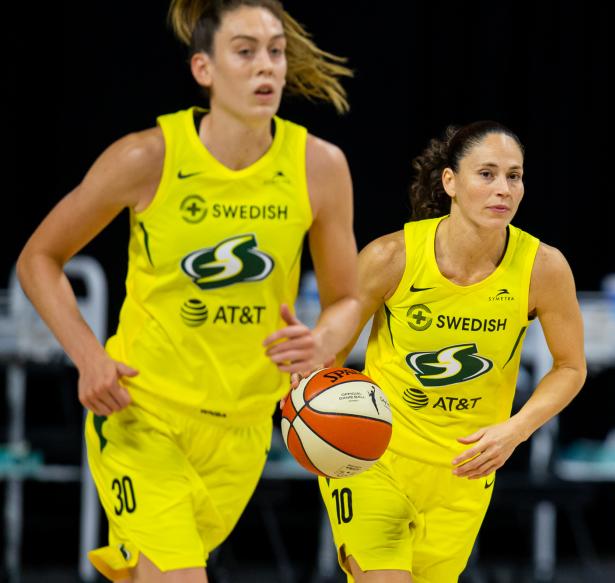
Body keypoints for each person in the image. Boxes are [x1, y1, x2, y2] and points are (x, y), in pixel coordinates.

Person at [15, 0, 360, 580]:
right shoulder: (146, 157)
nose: (267, 67)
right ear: (204, 69)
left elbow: (347, 299)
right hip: (140, 413)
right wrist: (88, 356)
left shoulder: (319, 167)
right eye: (245, 52)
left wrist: (321, 342)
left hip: (244, 428)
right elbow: (39, 259)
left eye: (275, 52)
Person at [317, 121, 587, 582]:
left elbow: (570, 367)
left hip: (464, 473)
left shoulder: (543, 267)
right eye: (486, 174)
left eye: (514, 176)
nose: (503, 188)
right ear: (450, 182)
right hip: (375, 460)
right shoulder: (391, 257)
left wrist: (516, 430)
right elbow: (325, 358)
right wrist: (325, 426)